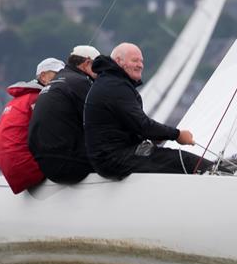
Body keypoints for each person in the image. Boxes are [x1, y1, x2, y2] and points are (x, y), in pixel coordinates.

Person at [84, 42, 212, 179]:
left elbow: (131, 126)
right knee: (187, 162)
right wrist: (178, 135)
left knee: (173, 158)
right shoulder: (115, 85)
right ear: (118, 61)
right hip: (114, 159)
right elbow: (143, 125)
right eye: (134, 60)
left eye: (141, 61)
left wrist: (155, 136)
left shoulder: (111, 81)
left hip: (114, 156)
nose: (140, 65)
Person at [28, 45, 100, 184]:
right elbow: (101, 121)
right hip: (68, 166)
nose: (100, 74)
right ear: (87, 64)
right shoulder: (81, 82)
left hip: (44, 165)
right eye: (98, 68)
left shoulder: (56, 83)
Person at [0, 58, 65, 194]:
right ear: (43, 77)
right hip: (26, 168)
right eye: (58, 75)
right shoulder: (39, 99)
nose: (62, 79)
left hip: (9, 167)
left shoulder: (19, 99)